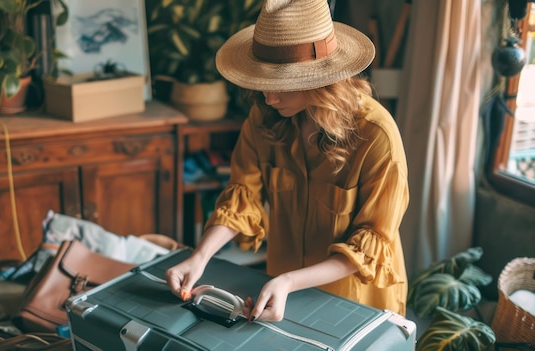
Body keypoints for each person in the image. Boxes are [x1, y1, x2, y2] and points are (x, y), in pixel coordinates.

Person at [165, 0, 409, 322]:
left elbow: (370, 245)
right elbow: (244, 195)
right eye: (264, 81)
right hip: (280, 286)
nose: (269, 97)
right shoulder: (263, 117)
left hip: (355, 299)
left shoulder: (377, 136)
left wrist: (291, 281)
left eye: (282, 84)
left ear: (323, 80)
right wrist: (199, 257)